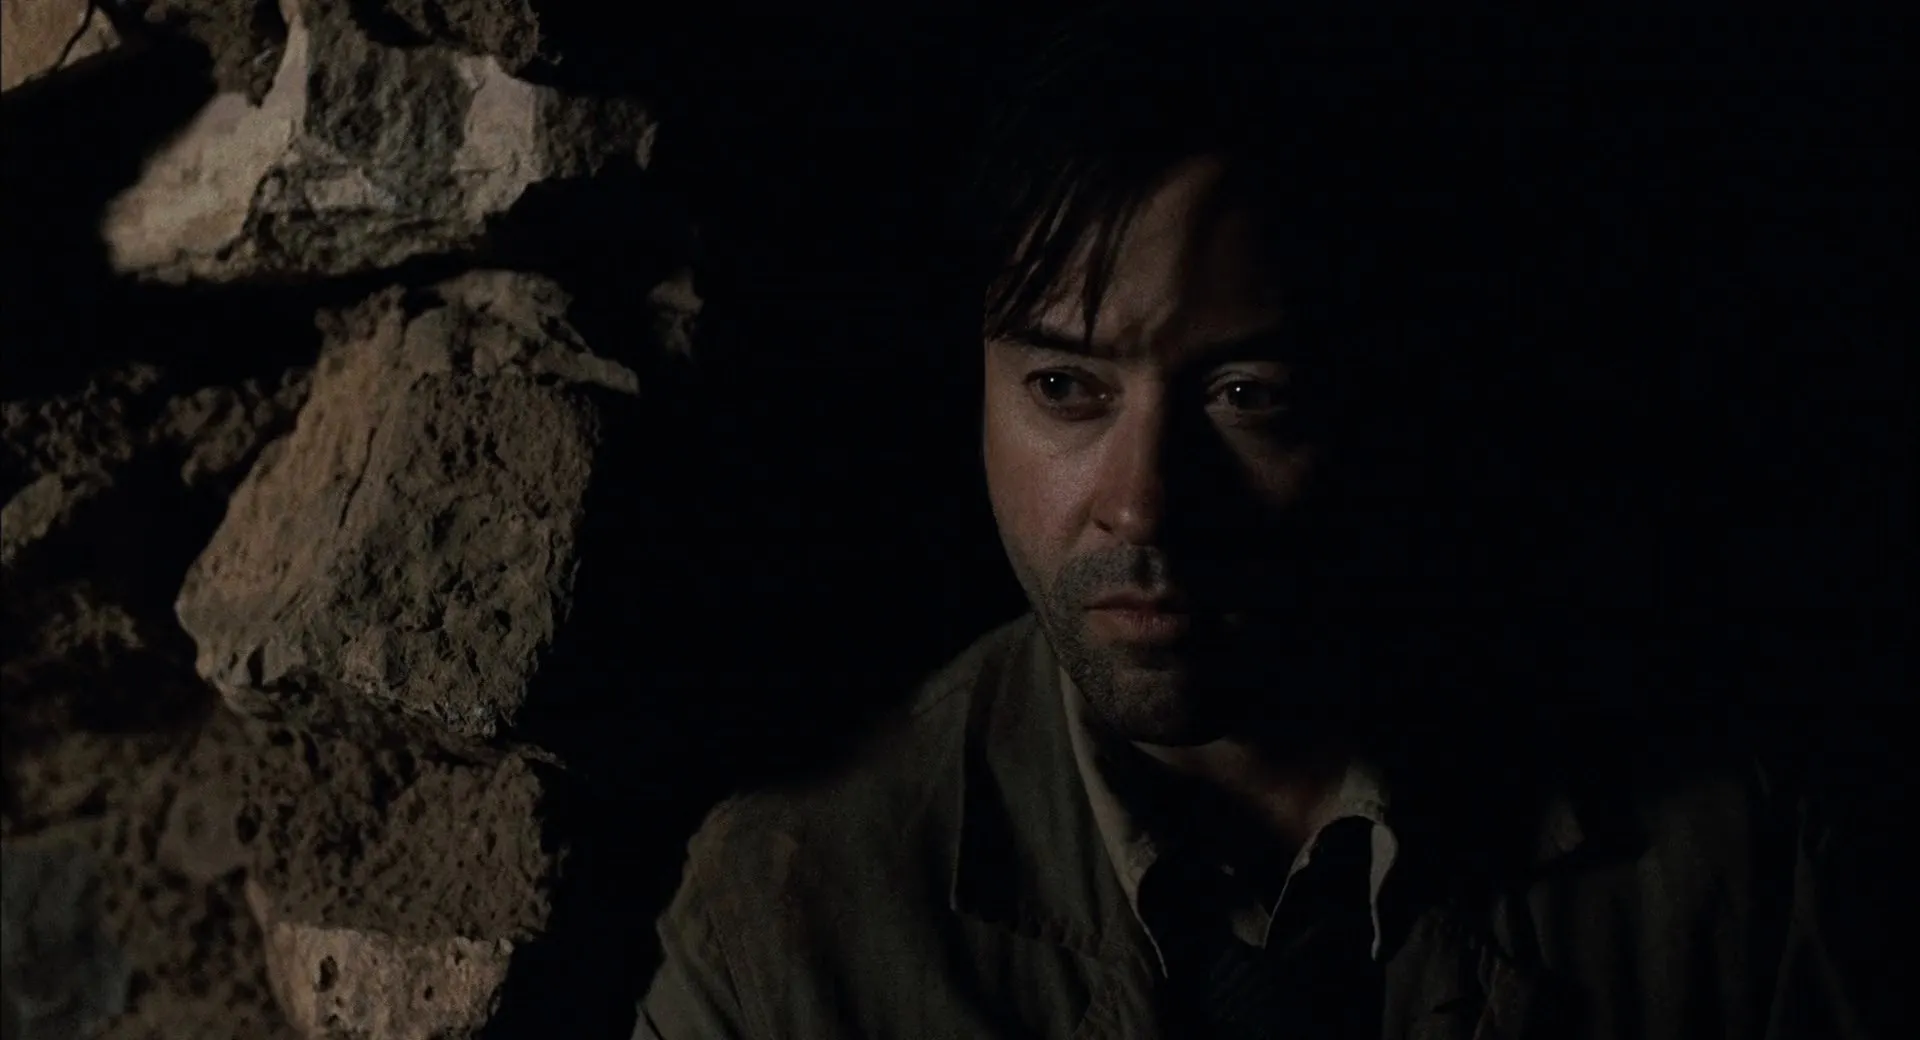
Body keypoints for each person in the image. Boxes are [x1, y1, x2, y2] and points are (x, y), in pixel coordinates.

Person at [635, 8, 1878, 1038]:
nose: (1143, 500)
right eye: (1065, 387)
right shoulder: (793, 909)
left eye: (1248, 395)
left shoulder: (1726, 876)